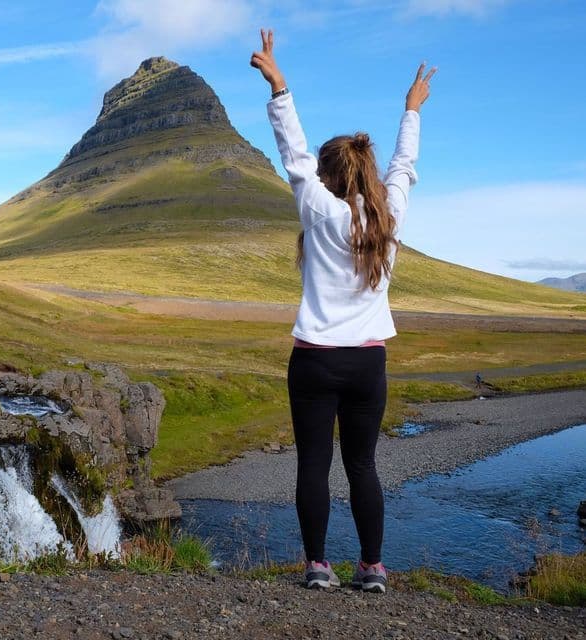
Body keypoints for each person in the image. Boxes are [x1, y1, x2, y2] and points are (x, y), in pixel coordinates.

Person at [250, 28, 436, 594]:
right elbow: (403, 167)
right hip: (366, 365)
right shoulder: (390, 216)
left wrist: (280, 87)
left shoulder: (318, 211)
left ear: (330, 177)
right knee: (362, 466)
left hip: (313, 362)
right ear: (365, 173)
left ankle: (317, 566)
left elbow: (294, 153)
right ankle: (373, 569)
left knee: (313, 464)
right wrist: (411, 109)